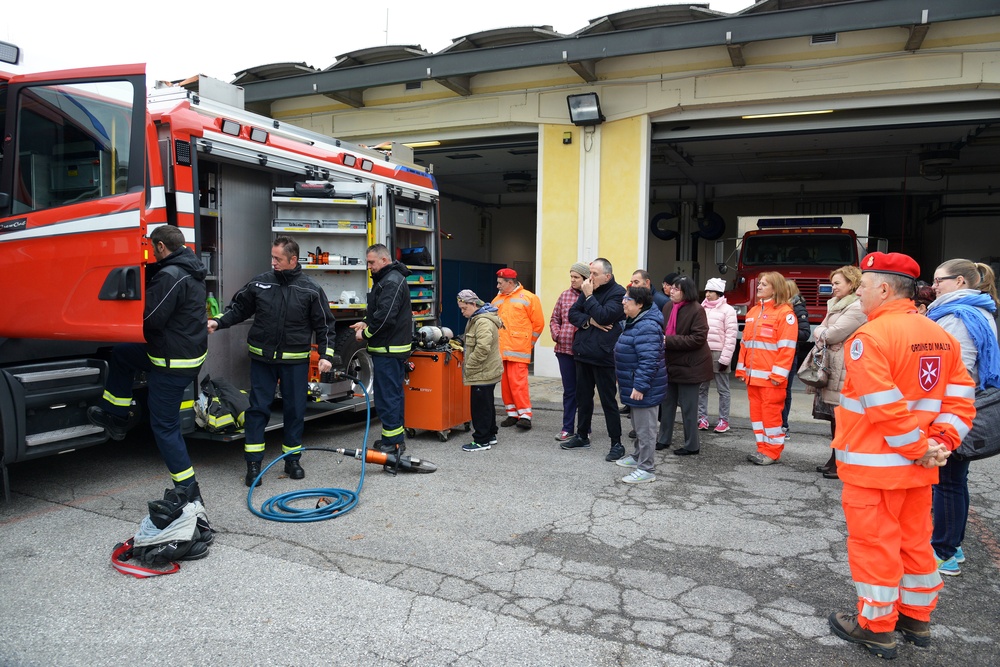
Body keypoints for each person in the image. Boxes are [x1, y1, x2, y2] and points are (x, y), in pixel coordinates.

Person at [828, 252, 976, 659]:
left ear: (884, 288)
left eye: (862, 287)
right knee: (914, 544)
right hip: (920, 468)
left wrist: (920, 447)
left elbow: (884, 407)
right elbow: (962, 399)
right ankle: (916, 618)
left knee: (875, 545)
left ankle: (875, 628)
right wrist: (939, 445)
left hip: (875, 469)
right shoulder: (940, 335)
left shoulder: (871, 338)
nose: (859, 294)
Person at [88, 224, 209, 502]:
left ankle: (189, 491)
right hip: (179, 355)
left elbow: (151, 318)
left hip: (170, 362)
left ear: (161, 247)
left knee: (165, 428)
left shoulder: (170, 275)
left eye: (151, 246)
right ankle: (116, 414)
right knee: (122, 353)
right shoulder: (190, 270)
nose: (149, 252)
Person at [209, 236, 334, 487]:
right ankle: (253, 464)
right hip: (263, 360)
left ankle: (292, 460)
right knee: (257, 410)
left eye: (278, 258)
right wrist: (218, 321)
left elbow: (325, 325)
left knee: (295, 410)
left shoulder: (310, 289)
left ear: (293, 260)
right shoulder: (260, 283)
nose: (273, 262)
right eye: (272, 257)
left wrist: (326, 356)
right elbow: (238, 308)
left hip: (295, 363)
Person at [926, 259, 1000, 576]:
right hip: (963, 406)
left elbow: (958, 369)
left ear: (959, 281)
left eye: (938, 280)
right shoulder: (975, 310)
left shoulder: (959, 316)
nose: (933, 286)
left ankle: (944, 552)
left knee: (947, 481)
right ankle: (952, 545)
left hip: (953, 409)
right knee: (955, 480)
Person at [561, 258, 627, 462]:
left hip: (603, 356)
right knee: (583, 398)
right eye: (590, 273)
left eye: (595, 274)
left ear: (607, 276)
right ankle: (582, 436)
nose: (590, 278)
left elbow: (606, 316)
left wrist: (589, 298)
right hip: (583, 353)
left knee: (608, 401)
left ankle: (616, 443)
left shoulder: (617, 293)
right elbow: (573, 314)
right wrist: (590, 321)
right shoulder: (589, 290)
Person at [351, 243, 413, 456]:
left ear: (384, 260)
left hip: (389, 349)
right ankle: (392, 438)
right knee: (392, 394)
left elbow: (386, 317)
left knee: (388, 396)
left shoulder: (391, 281)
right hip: (388, 348)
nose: (369, 266)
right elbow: (377, 311)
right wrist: (365, 322)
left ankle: (393, 443)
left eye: (371, 262)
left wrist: (365, 334)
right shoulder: (386, 280)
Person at [809, 266, 866, 480]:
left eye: (837, 283)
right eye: (832, 283)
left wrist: (822, 333)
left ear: (851, 284)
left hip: (843, 366)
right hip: (834, 364)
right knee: (835, 419)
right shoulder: (835, 305)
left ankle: (841, 462)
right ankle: (835, 459)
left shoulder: (856, 307)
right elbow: (823, 331)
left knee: (842, 418)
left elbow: (830, 334)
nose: (832, 287)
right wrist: (823, 333)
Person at [736, 271, 797, 465]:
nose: (759, 287)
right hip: (753, 378)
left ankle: (772, 452)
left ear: (775, 288)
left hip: (771, 379)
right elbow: (745, 344)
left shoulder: (785, 314)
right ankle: (762, 448)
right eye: (760, 284)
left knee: (771, 418)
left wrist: (778, 375)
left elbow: (787, 348)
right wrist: (740, 369)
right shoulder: (754, 312)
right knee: (757, 416)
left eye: (764, 284)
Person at [613, 286, 667, 483]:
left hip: (644, 387)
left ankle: (646, 468)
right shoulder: (635, 322)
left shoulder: (647, 326)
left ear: (640, 304)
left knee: (646, 429)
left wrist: (640, 386)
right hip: (633, 383)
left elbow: (649, 360)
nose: (623, 302)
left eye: (627, 299)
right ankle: (637, 457)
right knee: (638, 426)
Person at [658, 275, 714, 455]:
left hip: (691, 366)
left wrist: (669, 341)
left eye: (676, 289)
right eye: (671, 288)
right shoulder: (668, 307)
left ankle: (692, 445)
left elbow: (698, 339)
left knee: (689, 408)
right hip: (671, 363)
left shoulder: (697, 310)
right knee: (666, 404)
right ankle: (663, 439)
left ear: (686, 291)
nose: (671, 291)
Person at [491, 268, 544, 430]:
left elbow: (538, 324)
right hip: (502, 351)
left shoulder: (529, 297)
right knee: (506, 384)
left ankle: (525, 415)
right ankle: (512, 414)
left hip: (519, 350)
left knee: (518, 383)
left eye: (500, 283)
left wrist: (529, 344)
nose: (497, 285)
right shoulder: (497, 300)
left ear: (510, 283)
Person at [456, 290, 503, 452]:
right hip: (488, 370)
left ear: (473, 304)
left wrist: (470, 365)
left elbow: (483, 347)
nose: (462, 312)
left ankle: (481, 440)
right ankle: (490, 434)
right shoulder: (478, 318)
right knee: (487, 403)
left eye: (464, 308)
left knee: (480, 407)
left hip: (482, 371)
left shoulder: (482, 321)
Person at [549, 262, 589, 441]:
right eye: (571, 276)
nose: (572, 280)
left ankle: (584, 428)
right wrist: (557, 334)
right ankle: (567, 428)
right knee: (569, 391)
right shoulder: (564, 295)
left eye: (576, 277)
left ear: (586, 279)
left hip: (585, 352)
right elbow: (554, 318)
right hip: (564, 350)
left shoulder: (592, 297)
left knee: (585, 392)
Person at [697, 277, 737, 434]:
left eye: (711, 291)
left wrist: (725, 358)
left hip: (720, 353)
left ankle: (723, 420)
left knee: (723, 389)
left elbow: (731, 335)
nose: (707, 294)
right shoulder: (702, 308)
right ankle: (702, 418)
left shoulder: (728, 310)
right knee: (701, 388)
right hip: (703, 353)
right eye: (706, 291)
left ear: (719, 293)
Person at [780, 280, 812, 436]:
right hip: (776, 355)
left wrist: (784, 332)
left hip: (789, 355)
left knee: (785, 391)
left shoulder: (798, 308)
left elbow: (805, 334)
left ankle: (783, 425)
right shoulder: (778, 307)